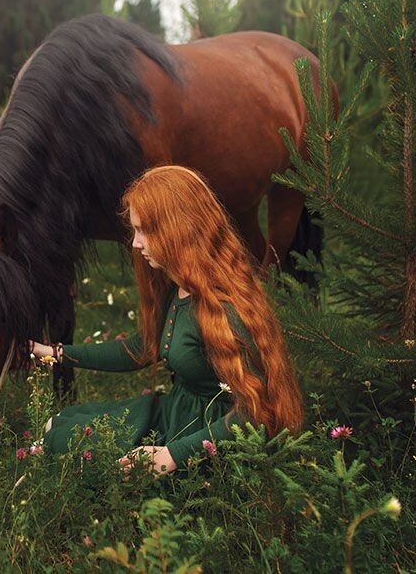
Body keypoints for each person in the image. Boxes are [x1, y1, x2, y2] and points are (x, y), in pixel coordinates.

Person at [30, 165, 304, 476]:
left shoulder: (224, 308)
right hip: (173, 411)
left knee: (62, 444)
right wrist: (54, 354)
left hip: (202, 438)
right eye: (134, 230)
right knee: (59, 423)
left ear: (178, 230)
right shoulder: (177, 287)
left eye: (144, 230)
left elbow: (255, 413)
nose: (135, 243)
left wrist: (173, 455)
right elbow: (141, 348)